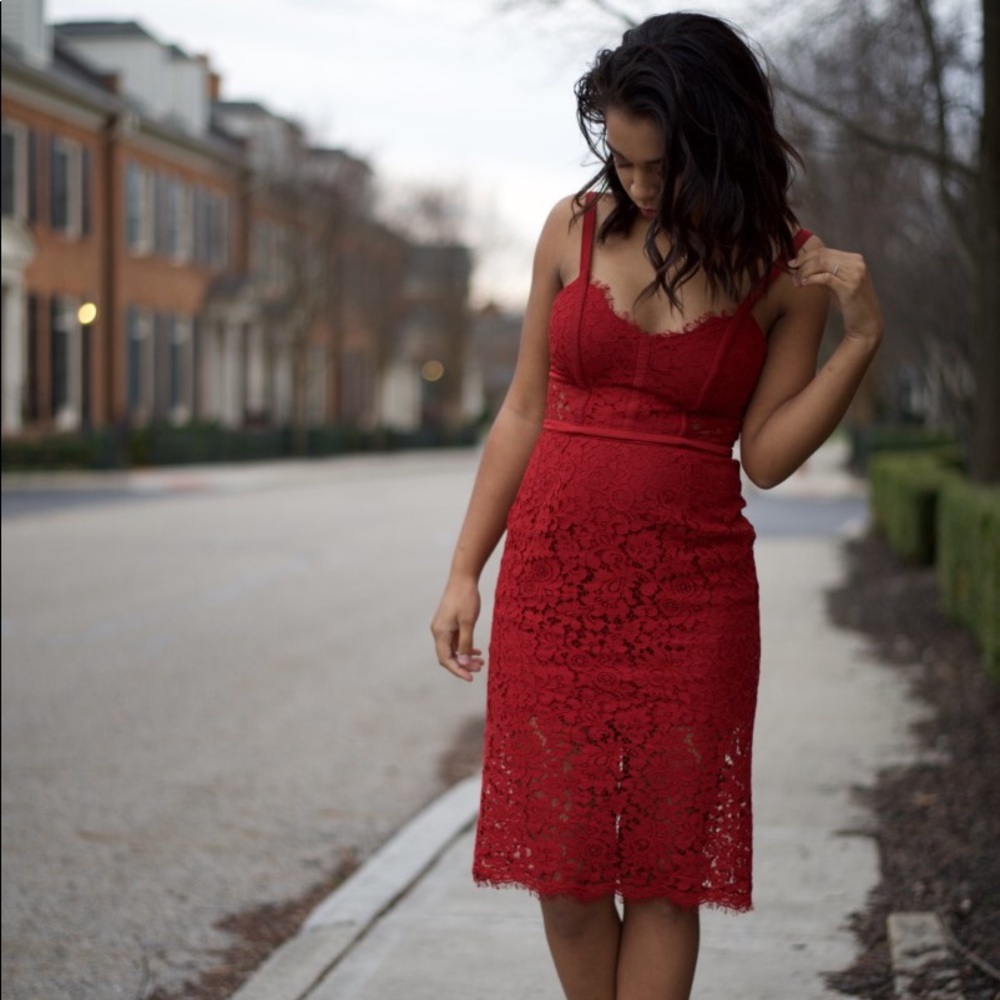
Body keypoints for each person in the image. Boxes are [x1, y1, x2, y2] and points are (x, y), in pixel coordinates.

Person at [430, 12, 883, 1000]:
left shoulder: (785, 268)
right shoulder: (571, 227)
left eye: (656, 166)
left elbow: (764, 455)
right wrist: (466, 567)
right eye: (622, 161)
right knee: (566, 875)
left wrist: (855, 345)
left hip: (693, 597)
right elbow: (520, 409)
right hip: (555, 586)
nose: (635, 186)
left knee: (667, 878)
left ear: (717, 142)